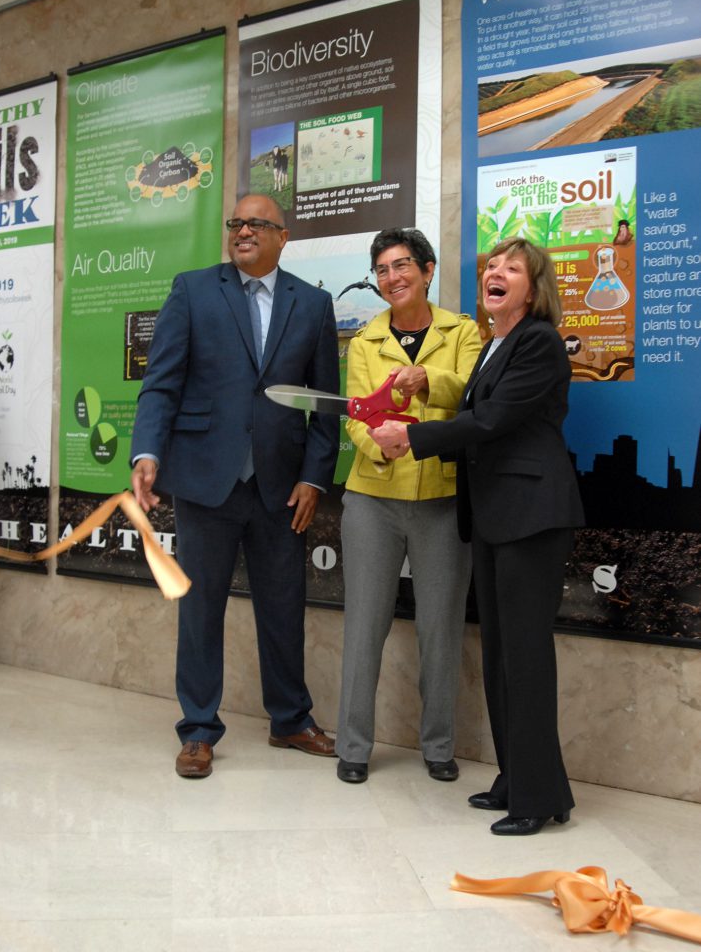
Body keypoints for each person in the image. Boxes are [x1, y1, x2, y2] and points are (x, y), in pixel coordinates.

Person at [369, 237, 584, 835]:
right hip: (495, 517)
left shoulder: (538, 341)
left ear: (533, 287)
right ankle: (522, 780)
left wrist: (410, 439)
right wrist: (417, 388)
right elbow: (470, 404)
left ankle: (537, 797)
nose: (496, 272)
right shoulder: (494, 345)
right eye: (491, 264)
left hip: (531, 517)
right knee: (500, 658)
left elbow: (489, 421)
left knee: (525, 658)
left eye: (511, 268)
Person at [131, 193, 340, 778]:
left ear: (282, 236)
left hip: (281, 488)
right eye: (236, 223)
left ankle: (291, 719)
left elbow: (325, 406)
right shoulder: (194, 290)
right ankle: (198, 730)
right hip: (205, 480)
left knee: (283, 608)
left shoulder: (315, 303)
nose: (243, 230)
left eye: (257, 224)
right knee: (199, 610)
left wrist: (314, 478)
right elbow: (161, 383)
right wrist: (148, 450)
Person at [335, 228, 482, 784]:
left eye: (401, 266)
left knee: (440, 629)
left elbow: (472, 398)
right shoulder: (364, 341)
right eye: (381, 270)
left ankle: (438, 746)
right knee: (364, 625)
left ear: (426, 270)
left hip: (442, 497)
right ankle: (353, 746)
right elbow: (355, 415)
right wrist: (382, 444)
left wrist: (427, 380)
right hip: (372, 496)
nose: (391, 278)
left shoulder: (463, 332)